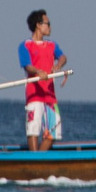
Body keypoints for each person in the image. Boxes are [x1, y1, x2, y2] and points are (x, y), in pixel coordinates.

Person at [20, 10, 69, 151]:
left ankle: (39, 160)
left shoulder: (52, 45)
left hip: (50, 96)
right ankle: (34, 161)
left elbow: (62, 56)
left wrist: (59, 64)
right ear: (38, 25)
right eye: (48, 24)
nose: (50, 27)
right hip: (34, 95)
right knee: (33, 130)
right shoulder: (25, 45)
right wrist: (37, 71)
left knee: (53, 132)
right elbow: (27, 65)